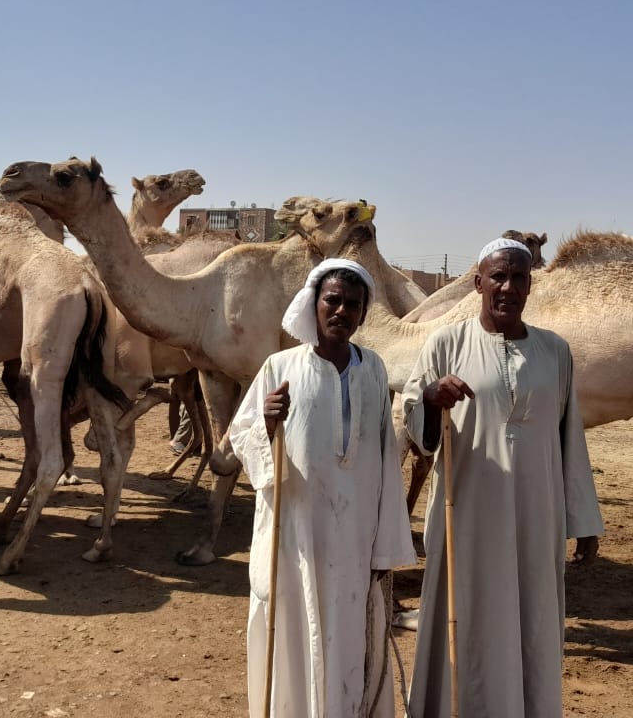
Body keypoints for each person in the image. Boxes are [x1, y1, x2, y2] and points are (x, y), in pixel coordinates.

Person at [402, 238, 604, 718]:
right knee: (465, 616)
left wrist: (583, 518)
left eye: (520, 277)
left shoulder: (555, 351)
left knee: (531, 618)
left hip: (537, 515)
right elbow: (419, 435)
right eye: (498, 276)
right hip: (466, 513)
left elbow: (568, 437)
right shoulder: (446, 343)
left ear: (531, 285)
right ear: (478, 284)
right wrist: (431, 401)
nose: (509, 287)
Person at [230, 258, 416, 718]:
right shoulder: (280, 366)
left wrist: (386, 547)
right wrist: (269, 424)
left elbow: (384, 459)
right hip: (296, 538)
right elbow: (242, 438)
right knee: (294, 634)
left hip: (356, 540)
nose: (341, 312)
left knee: (351, 640)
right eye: (332, 301)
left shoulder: (373, 369)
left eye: (352, 305)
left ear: (363, 313)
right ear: (314, 305)